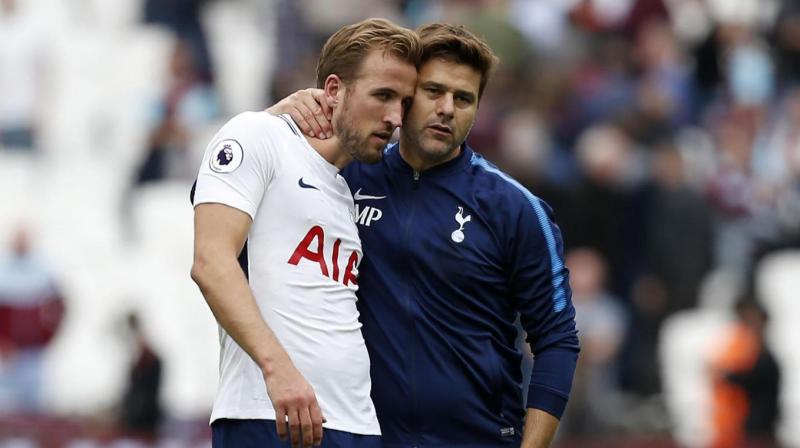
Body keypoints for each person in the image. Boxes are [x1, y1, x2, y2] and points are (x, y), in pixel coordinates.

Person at [269, 23, 580, 447]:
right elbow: (224, 195)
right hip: (361, 436)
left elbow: (557, 339)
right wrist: (278, 118)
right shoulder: (342, 176)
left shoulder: (516, 209)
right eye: (434, 91)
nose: (447, 108)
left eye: (464, 98)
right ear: (406, 97)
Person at [190, 18, 420, 448]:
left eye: (404, 103)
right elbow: (210, 262)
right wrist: (278, 370)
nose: (394, 118)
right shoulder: (258, 135)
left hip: (357, 424)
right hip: (271, 412)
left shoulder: (350, 191)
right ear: (333, 91)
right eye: (383, 95)